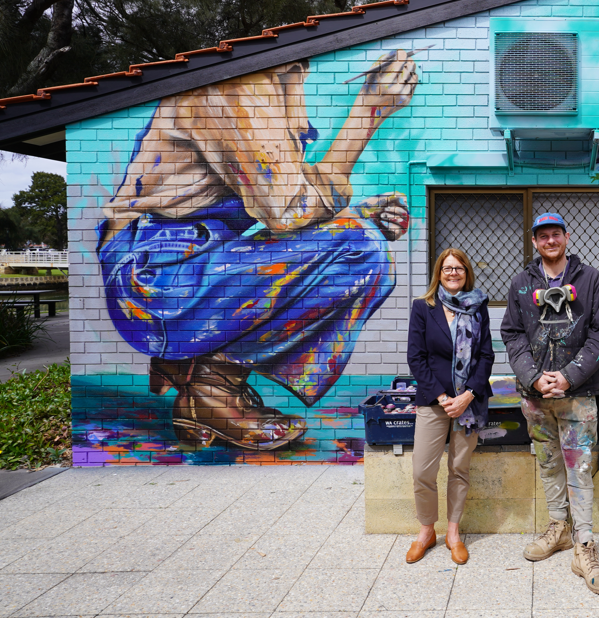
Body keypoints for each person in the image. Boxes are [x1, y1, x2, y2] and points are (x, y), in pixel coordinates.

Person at [98, 51, 418, 452]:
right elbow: (288, 209)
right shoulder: (238, 85)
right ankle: (212, 388)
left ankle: (196, 373)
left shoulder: (275, 78)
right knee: (361, 249)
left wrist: (349, 213)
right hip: (153, 281)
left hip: (178, 263)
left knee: (355, 239)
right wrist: (369, 110)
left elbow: (285, 196)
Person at [501, 213, 599, 595]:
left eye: (556, 234)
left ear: (567, 237)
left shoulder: (591, 280)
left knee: (579, 470)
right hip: (535, 397)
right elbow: (512, 334)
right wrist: (533, 377)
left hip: (577, 396)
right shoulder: (521, 284)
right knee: (549, 464)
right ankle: (558, 528)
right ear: (534, 242)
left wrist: (569, 376)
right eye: (542, 236)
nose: (550, 240)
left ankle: (585, 547)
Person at [405, 248, 494, 565]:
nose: (453, 272)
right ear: (438, 273)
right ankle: (427, 531)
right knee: (422, 471)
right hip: (434, 401)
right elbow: (416, 357)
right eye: (447, 268)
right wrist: (444, 398)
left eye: (459, 268)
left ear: (466, 273)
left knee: (459, 469)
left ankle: (453, 533)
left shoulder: (479, 307)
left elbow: (486, 356)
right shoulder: (423, 307)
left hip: (469, 404)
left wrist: (468, 394)